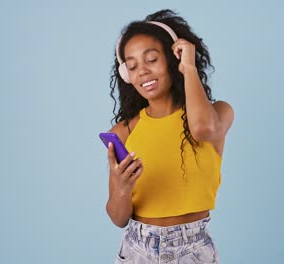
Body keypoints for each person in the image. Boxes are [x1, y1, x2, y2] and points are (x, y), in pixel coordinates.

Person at [105, 9, 234, 263]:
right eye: (132, 66)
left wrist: (189, 68)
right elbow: (118, 218)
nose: (142, 71)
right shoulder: (122, 132)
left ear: (173, 58)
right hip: (136, 250)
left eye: (151, 59)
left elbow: (202, 130)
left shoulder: (218, 113)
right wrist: (122, 188)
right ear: (126, 75)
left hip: (193, 250)